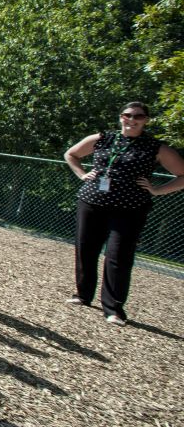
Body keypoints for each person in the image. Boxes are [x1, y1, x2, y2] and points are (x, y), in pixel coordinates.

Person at [64, 101, 184, 324]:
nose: (132, 119)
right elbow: (71, 154)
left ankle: (113, 308)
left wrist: (157, 190)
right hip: (92, 201)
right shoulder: (103, 138)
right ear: (121, 117)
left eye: (138, 116)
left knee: (118, 256)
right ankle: (83, 294)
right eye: (127, 115)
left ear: (146, 120)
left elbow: (182, 175)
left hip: (129, 208)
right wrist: (82, 174)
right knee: (86, 249)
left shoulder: (154, 147)